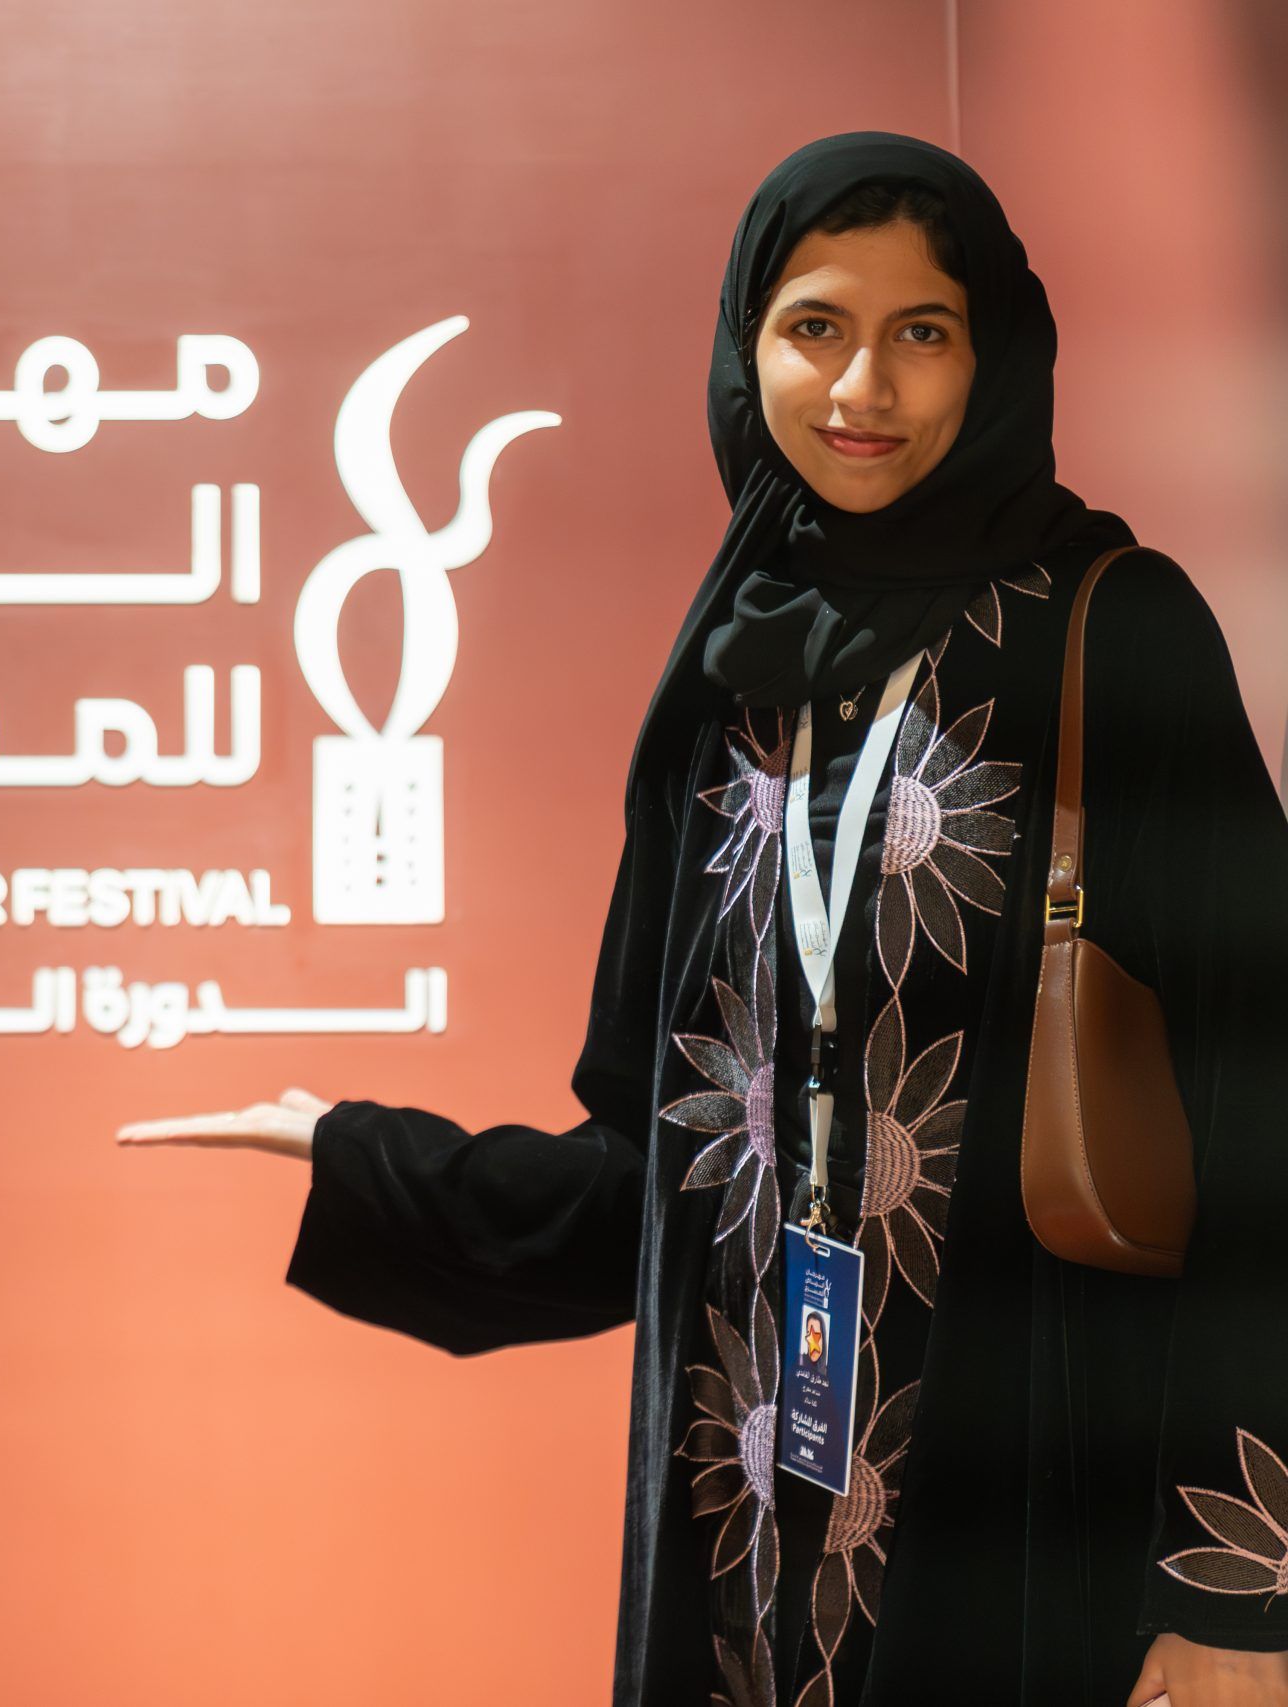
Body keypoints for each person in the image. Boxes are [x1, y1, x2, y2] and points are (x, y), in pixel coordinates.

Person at [117, 133, 1288, 1707]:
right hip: (748, 1505)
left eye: (921, 331)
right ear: (748, 350)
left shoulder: (1113, 633)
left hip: (1035, 1503)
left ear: (996, 351)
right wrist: (366, 1156)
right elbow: (660, 1164)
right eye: (816, 327)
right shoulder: (735, 675)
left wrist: (1238, 1587)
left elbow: (1264, 1113)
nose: (863, 385)